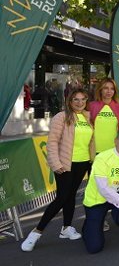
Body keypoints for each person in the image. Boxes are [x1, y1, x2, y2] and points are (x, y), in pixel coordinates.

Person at [21, 89, 95, 252]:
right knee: (61, 198)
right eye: (75, 99)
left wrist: (92, 160)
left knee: (71, 196)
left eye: (83, 99)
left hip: (82, 163)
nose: (79, 102)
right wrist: (55, 163)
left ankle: (66, 228)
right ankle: (36, 232)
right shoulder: (61, 117)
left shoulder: (88, 117)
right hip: (65, 163)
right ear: (69, 101)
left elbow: (90, 142)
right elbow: (52, 142)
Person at [89, 78, 119, 154]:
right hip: (95, 150)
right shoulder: (91, 106)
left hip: (114, 150)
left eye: (112, 89)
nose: (109, 91)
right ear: (100, 90)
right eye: (106, 88)